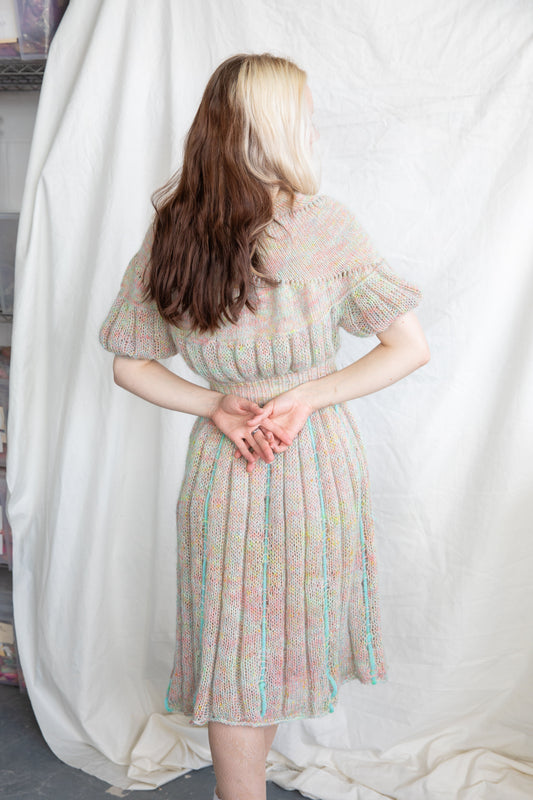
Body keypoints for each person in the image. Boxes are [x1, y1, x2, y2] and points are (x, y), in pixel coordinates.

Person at [99, 52, 430, 800]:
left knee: (237, 648)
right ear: (272, 129)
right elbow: (409, 347)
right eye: (303, 115)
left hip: (228, 462)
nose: (311, 128)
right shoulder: (326, 226)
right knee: (269, 647)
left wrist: (215, 406)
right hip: (309, 458)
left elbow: (129, 364)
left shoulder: (174, 231)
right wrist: (309, 396)